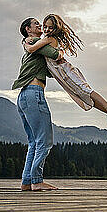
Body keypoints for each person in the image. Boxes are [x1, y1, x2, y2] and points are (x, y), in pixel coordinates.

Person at [24, 13, 107, 132]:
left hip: (65, 71)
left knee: (85, 90)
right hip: (62, 74)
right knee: (84, 97)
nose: (46, 29)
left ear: (56, 28)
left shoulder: (48, 39)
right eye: (45, 26)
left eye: (50, 27)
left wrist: (25, 43)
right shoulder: (49, 39)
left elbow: (32, 49)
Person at [12, 18, 64, 191]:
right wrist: (60, 50)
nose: (39, 26)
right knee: (45, 141)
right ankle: (36, 180)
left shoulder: (31, 48)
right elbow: (55, 54)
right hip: (34, 94)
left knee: (34, 142)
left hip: (24, 97)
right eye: (36, 24)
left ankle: (27, 181)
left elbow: (47, 68)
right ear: (28, 29)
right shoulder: (34, 41)